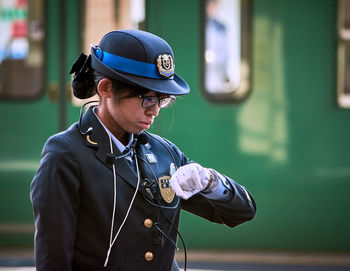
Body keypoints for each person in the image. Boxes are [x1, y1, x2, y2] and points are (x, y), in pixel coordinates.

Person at [30, 29, 256, 271]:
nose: (155, 110)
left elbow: (241, 213)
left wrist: (210, 182)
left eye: (163, 99)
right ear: (105, 88)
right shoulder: (66, 154)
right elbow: (54, 260)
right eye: (147, 98)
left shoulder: (163, 153)